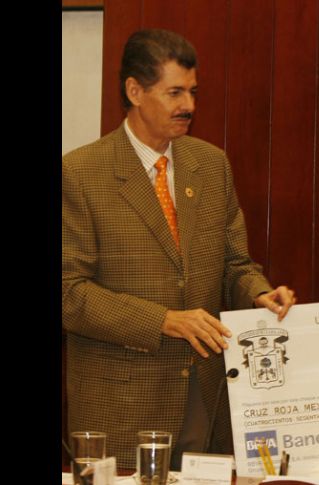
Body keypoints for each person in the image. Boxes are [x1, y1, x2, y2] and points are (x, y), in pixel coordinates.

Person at [62, 29, 297, 470]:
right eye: (174, 92)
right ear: (134, 91)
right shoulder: (79, 173)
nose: (188, 105)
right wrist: (164, 321)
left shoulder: (210, 164)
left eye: (192, 92)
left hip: (205, 396)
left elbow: (234, 261)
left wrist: (258, 293)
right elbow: (69, 293)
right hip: (121, 401)